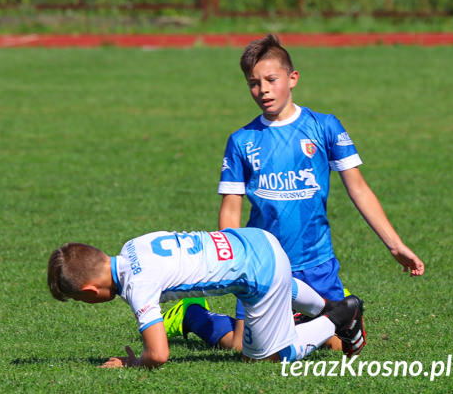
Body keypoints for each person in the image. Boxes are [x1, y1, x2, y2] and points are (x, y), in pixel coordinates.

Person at [173, 33, 423, 352]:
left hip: (316, 260)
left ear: (293, 79)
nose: (262, 89)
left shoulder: (324, 127)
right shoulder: (242, 141)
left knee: (337, 346)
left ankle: (307, 314)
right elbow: (231, 207)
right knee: (241, 348)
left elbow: (358, 188)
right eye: (253, 82)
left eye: (271, 79)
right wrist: (233, 261)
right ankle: (191, 314)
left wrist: (395, 245)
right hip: (263, 263)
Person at [48, 227, 364, 369]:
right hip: (256, 239)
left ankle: (341, 315)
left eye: (80, 300)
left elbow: (158, 355)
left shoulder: (137, 286)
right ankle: (329, 306)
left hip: (260, 274)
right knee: (277, 283)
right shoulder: (134, 245)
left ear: (90, 292)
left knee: (261, 359)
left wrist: (133, 363)